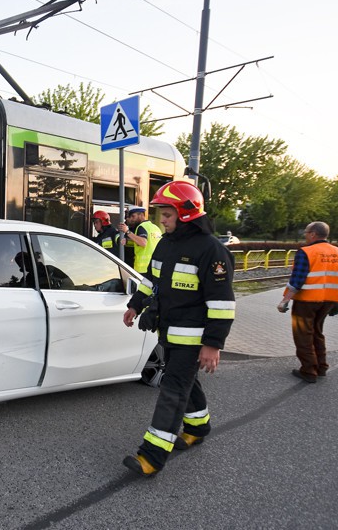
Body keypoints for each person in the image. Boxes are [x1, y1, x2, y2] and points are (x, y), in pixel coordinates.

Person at [121, 181, 235, 477]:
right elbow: (151, 279)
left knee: (172, 389)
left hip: (194, 338)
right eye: (161, 213)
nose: (161, 220)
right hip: (168, 332)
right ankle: (198, 426)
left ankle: (151, 457)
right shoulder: (166, 243)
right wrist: (135, 304)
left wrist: (212, 344)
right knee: (185, 382)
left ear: (186, 213)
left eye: (167, 214)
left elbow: (222, 304)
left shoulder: (212, 251)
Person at [277, 221, 338, 383]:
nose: (305, 235)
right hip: (329, 301)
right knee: (317, 331)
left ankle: (309, 370)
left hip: (306, 301)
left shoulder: (307, 252)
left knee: (303, 334)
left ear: (313, 234)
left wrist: (284, 301)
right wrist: (337, 302)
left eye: (306, 232)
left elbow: (297, 280)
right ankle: (321, 366)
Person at [117, 206, 162, 273]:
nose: (131, 219)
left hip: (143, 269)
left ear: (141, 215)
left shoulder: (141, 227)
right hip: (155, 268)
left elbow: (143, 242)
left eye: (133, 216)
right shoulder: (155, 227)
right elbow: (149, 244)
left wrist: (127, 231)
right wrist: (128, 241)